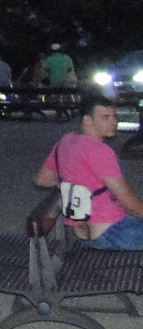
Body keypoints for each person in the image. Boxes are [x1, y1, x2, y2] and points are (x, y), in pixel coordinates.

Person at [34, 100, 143, 249]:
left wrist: (73, 181)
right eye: (105, 117)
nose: (113, 122)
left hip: (81, 234)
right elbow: (129, 204)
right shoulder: (100, 151)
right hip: (114, 233)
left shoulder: (66, 141)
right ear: (87, 120)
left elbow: (43, 179)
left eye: (114, 117)